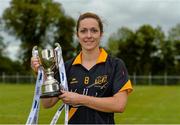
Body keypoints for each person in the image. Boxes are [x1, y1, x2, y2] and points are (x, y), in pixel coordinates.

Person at [31, 12, 133, 124]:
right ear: (77, 35)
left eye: (94, 30)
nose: (88, 35)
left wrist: (80, 99)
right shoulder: (65, 68)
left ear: (101, 34)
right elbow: (47, 103)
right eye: (83, 31)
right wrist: (43, 73)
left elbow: (119, 105)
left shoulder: (115, 65)